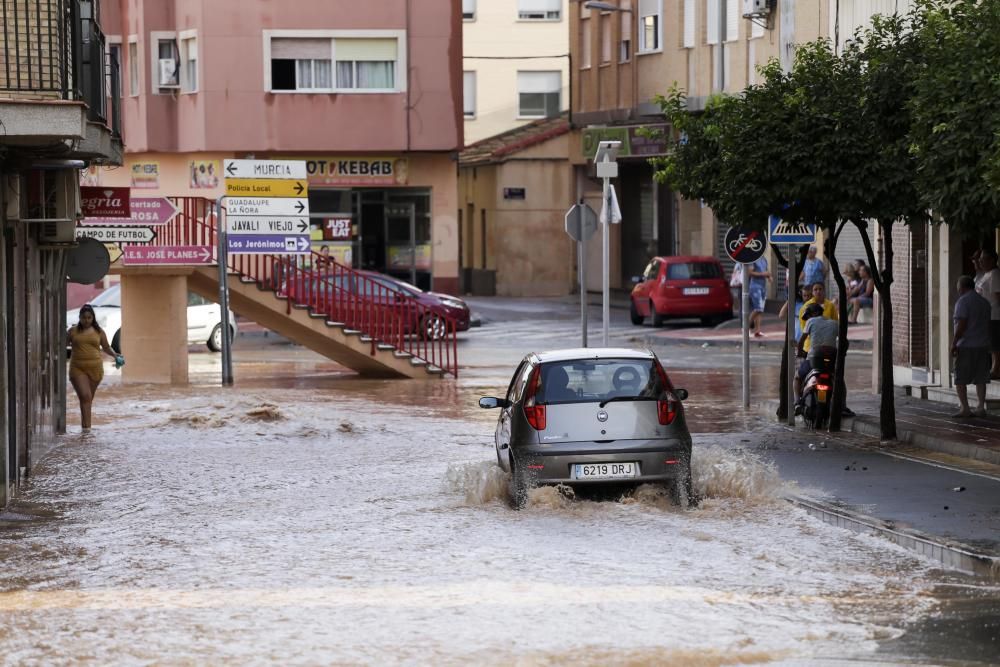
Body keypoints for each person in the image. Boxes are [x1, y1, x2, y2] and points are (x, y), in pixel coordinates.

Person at [68, 304, 123, 434]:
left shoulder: (99, 332)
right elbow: (61, 345)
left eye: (89, 317)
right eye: (83, 317)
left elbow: (106, 347)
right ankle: (86, 429)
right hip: (77, 368)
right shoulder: (72, 331)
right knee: (85, 396)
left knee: (87, 399)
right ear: (79, 317)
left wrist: (115, 355)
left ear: (93, 318)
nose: (86, 320)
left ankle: (86, 429)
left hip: (95, 369)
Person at [951, 275, 992, 417]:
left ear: (962, 287)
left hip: (966, 345)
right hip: (982, 344)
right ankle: (981, 406)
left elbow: (961, 325)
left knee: (960, 377)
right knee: (981, 378)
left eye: (958, 287)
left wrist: (954, 343)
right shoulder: (984, 302)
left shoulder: (962, 302)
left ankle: (965, 408)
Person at [794, 303, 839, 408]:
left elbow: (801, 342)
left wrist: (800, 352)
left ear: (814, 313)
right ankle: (843, 406)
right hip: (831, 361)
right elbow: (843, 342)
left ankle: (797, 402)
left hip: (813, 361)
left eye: (809, 316)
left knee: (797, 378)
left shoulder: (811, 321)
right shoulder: (834, 324)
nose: (808, 318)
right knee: (839, 381)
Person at [974, 247, 1000, 379]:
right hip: (985, 314)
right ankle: (993, 367)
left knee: (995, 342)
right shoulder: (986, 274)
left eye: (983, 259)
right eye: (980, 259)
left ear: (992, 260)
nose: (980, 261)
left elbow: (997, 295)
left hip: (994, 314)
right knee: (990, 342)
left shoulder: (995, 274)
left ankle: (996, 369)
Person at [747, 256, 771, 337]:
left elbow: (767, 271)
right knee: (758, 308)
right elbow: (749, 272)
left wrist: (769, 277)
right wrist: (763, 274)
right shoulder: (753, 259)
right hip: (755, 287)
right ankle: (746, 327)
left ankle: (757, 331)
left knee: (760, 310)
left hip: (763, 287)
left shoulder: (764, 259)